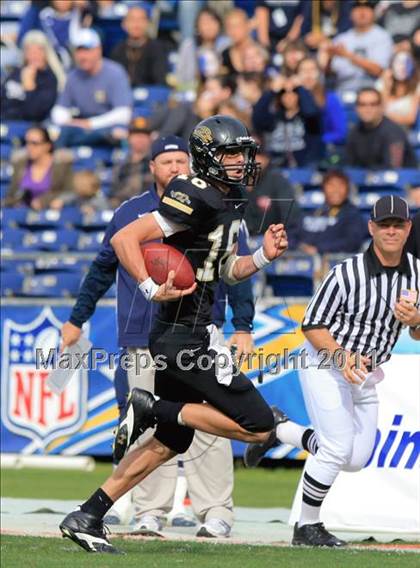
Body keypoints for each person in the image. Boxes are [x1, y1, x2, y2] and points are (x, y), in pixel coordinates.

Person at [58, 115, 318, 554]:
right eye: (231, 154)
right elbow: (126, 239)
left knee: (168, 442)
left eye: (242, 153)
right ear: (208, 157)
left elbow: (224, 270)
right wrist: (147, 286)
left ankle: (88, 513)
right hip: (187, 336)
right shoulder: (192, 193)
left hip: (186, 333)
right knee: (257, 426)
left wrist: (263, 257)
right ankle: (153, 405)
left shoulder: (227, 198)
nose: (240, 162)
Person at [246, 194, 420, 546]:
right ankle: (307, 527)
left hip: (367, 371)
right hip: (327, 362)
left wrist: (417, 320)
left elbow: (417, 332)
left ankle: (279, 430)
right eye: (383, 225)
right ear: (371, 228)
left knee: (356, 458)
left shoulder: (417, 271)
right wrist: (343, 358)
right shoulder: (346, 272)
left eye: (397, 224)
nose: (390, 231)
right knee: (337, 448)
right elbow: (311, 325)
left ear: (408, 228)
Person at [51, 28, 132, 148]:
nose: (82, 56)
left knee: (117, 133)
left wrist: (90, 124)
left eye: (87, 50)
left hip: (106, 126)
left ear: (98, 50)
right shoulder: (73, 76)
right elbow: (59, 110)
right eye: (79, 51)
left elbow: (124, 114)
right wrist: (70, 122)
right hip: (80, 127)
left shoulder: (115, 72)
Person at [321, 0, 393, 97]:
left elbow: (378, 70)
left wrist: (347, 55)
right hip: (342, 90)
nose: (362, 12)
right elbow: (330, 74)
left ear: (373, 13)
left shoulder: (382, 36)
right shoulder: (341, 38)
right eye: (357, 8)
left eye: (366, 8)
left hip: (372, 92)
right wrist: (329, 58)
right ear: (350, 13)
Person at [253, 76, 324, 167]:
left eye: (294, 92)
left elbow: (312, 113)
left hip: (304, 164)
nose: (289, 96)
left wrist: (300, 88)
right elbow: (257, 118)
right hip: (276, 164)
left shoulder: (307, 118)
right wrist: (271, 91)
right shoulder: (274, 118)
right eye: (284, 93)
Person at [2, 125, 73, 209]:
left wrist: (46, 201)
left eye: (34, 143)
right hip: (23, 212)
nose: (29, 147)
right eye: (26, 143)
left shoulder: (61, 165)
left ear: (47, 145)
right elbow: (11, 194)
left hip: (51, 213)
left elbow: (70, 191)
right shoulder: (20, 164)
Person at [345, 87, 417, 169]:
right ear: (356, 108)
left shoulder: (393, 132)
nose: (367, 109)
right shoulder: (354, 132)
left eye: (373, 104)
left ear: (381, 107)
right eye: (362, 104)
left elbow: (393, 169)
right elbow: (349, 166)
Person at [1, 30, 63, 121]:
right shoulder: (16, 72)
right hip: (5, 121)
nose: (34, 55)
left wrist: (29, 87)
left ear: (46, 53)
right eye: (29, 50)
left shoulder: (50, 78)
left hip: (30, 126)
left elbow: (34, 113)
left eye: (38, 50)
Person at [298, 170, 365, 255]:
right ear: (323, 189)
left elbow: (352, 242)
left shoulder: (353, 215)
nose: (336, 190)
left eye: (341, 185)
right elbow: (295, 235)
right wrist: (300, 247)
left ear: (347, 189)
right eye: (331, 185)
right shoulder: (313, 213)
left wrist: (319, 249)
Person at [244, 150, 302, 248]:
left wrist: (283, 239)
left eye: (258, 154)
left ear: (266, 158)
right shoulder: (235, 182)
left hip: (272, 240)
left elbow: (290, 214)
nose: (253, 159)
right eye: (249, 154)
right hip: (243, 240)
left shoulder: (277, 180)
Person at [110, 5, 168, 87]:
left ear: (147, 23)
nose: (136, 24)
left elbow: (160, 81)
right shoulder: (118, 49)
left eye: (141, 19)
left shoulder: (157, 48)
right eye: (132, 20)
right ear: (124, 24)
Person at [296, 57, 347, 146]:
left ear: (319, 74)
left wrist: (317, 140)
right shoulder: (290, 96)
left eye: (312, 70)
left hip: (319, 148)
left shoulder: (330, 98)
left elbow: (340, 133)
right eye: (303, 70)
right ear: (296, 74)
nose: (308, 74)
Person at [108, 118, 153, 208]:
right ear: (129, 138)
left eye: (144, 135)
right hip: (122, 209)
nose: (140, 139)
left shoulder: (156, 163)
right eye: (136, 135)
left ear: (150, 138)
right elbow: (113, 192)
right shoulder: (120, 165)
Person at [380, 51, 419, 129]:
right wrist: (387, 87)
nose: (402, 67)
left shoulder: (417, 87)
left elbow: (410, 119)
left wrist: (385, 116)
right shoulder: (382, 84)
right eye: (398, 63)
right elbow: (380, 109)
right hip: (383, 131)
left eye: (406, 64)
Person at [220, 8, 256, 76]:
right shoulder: (225, 55)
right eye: (229, 27)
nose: (233, 31)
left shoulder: (260, 51)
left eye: (237, 26)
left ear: (247, 26)